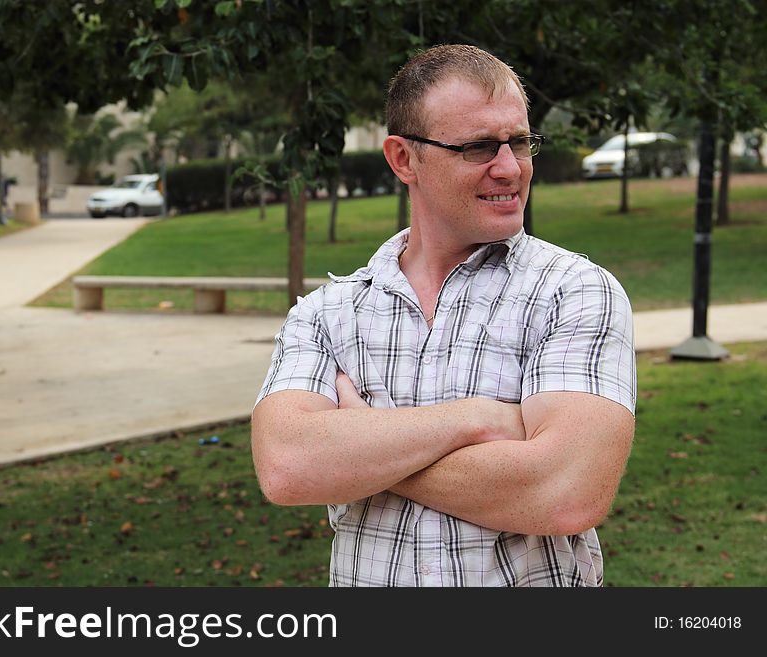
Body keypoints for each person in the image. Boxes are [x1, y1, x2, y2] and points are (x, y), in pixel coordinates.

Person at [251, 44, 636, 587]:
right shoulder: (326, 314)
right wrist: (476, 419)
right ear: (404, 159)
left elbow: (565, 492)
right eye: (478, 147)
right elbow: (288, 468)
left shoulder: (574, 292)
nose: (510, 168)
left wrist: (361, 447)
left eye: (520, 142)